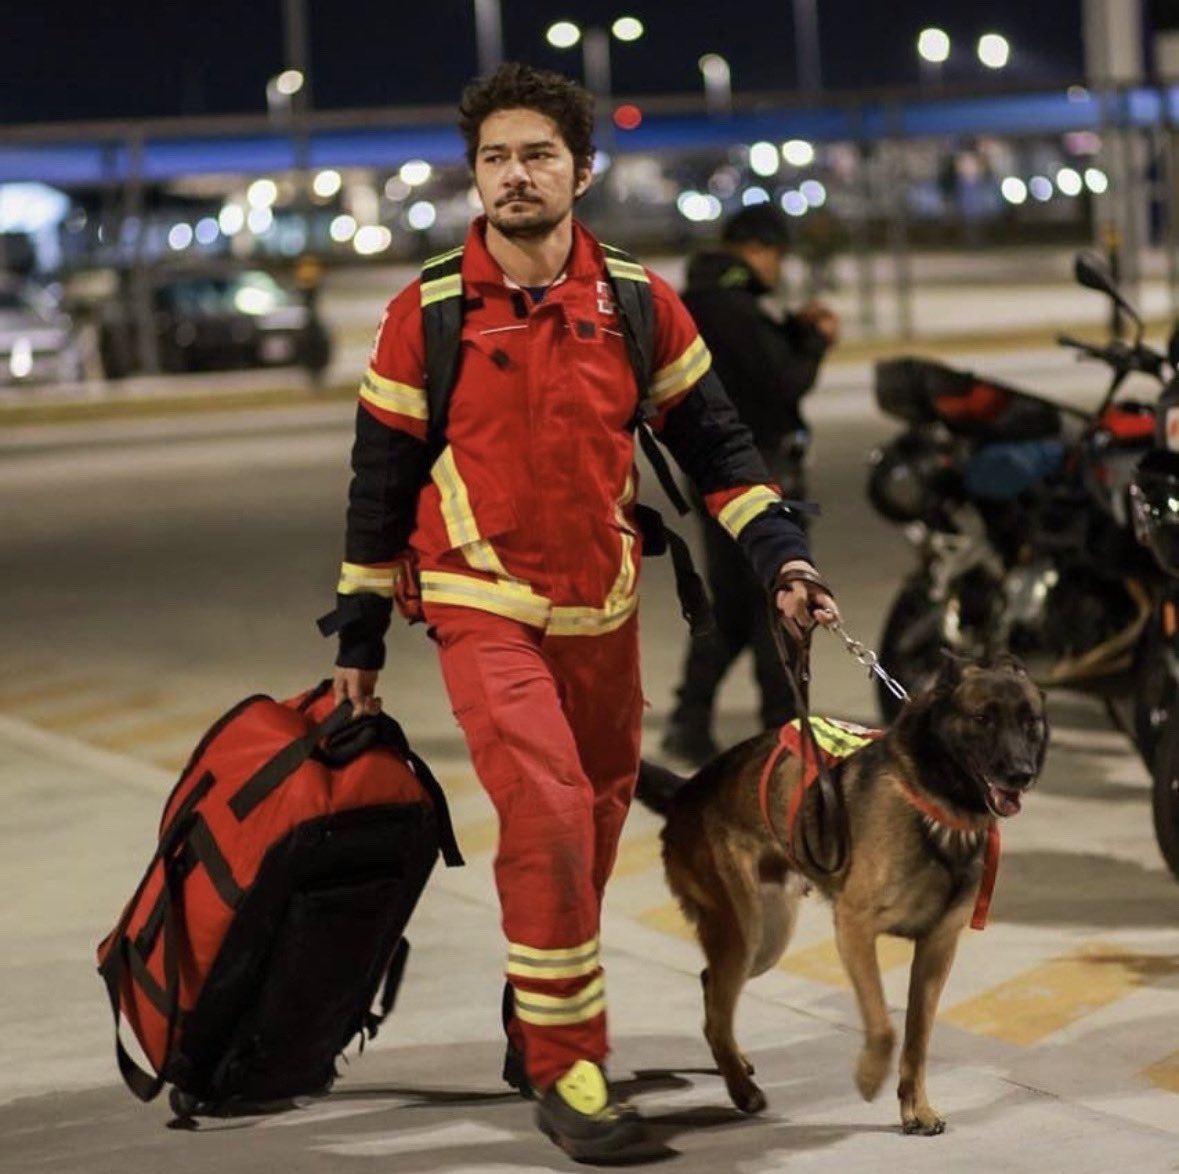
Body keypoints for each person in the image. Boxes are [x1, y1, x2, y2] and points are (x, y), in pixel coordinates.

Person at [326, 62, 838, 1165]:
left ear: (581, 172)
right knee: (551, 808)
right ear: (475, 177)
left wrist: (782, 558)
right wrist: (359, 637)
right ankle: (570, 1071)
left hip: (601, 605)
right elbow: (377, 485)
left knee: (599, 816)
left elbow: (718, 450)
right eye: (497, 158)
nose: (516, 176)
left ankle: (538, 1014)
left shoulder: (638, 302)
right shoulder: (429, 311)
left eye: (538, 155)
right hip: (478, 599)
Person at [661, 202, 841, 767]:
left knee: (737, 611)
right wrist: (813, 344)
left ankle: (689, 722)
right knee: (779, 605)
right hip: (755, 477)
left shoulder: (709, 302)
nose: (779, 268)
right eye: (777, 256)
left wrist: (791, 329)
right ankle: (782, 737)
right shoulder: (731, 308)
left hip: (719, 476)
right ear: (756, 250)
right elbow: (780, 384)